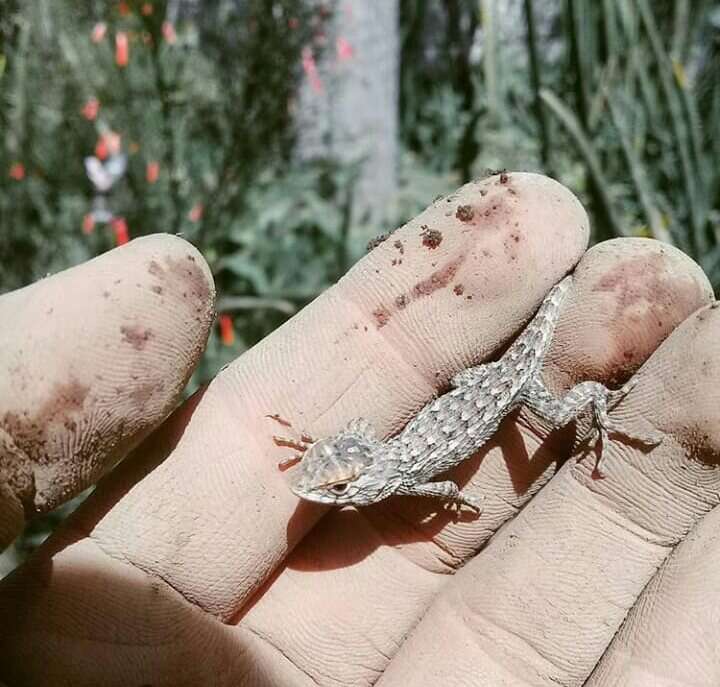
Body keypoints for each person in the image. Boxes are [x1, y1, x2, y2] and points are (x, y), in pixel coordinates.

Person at [1, 173, 719, 686]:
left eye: (334, 479)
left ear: (360, 478)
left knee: (559, 391)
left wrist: (452, 500)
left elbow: (431, 476)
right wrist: (326, 454)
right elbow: (360, 448)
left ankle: (592, 400)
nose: (323, 488)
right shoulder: (380, 464)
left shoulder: (394, 474)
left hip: (509, 394)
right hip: (475, 394)